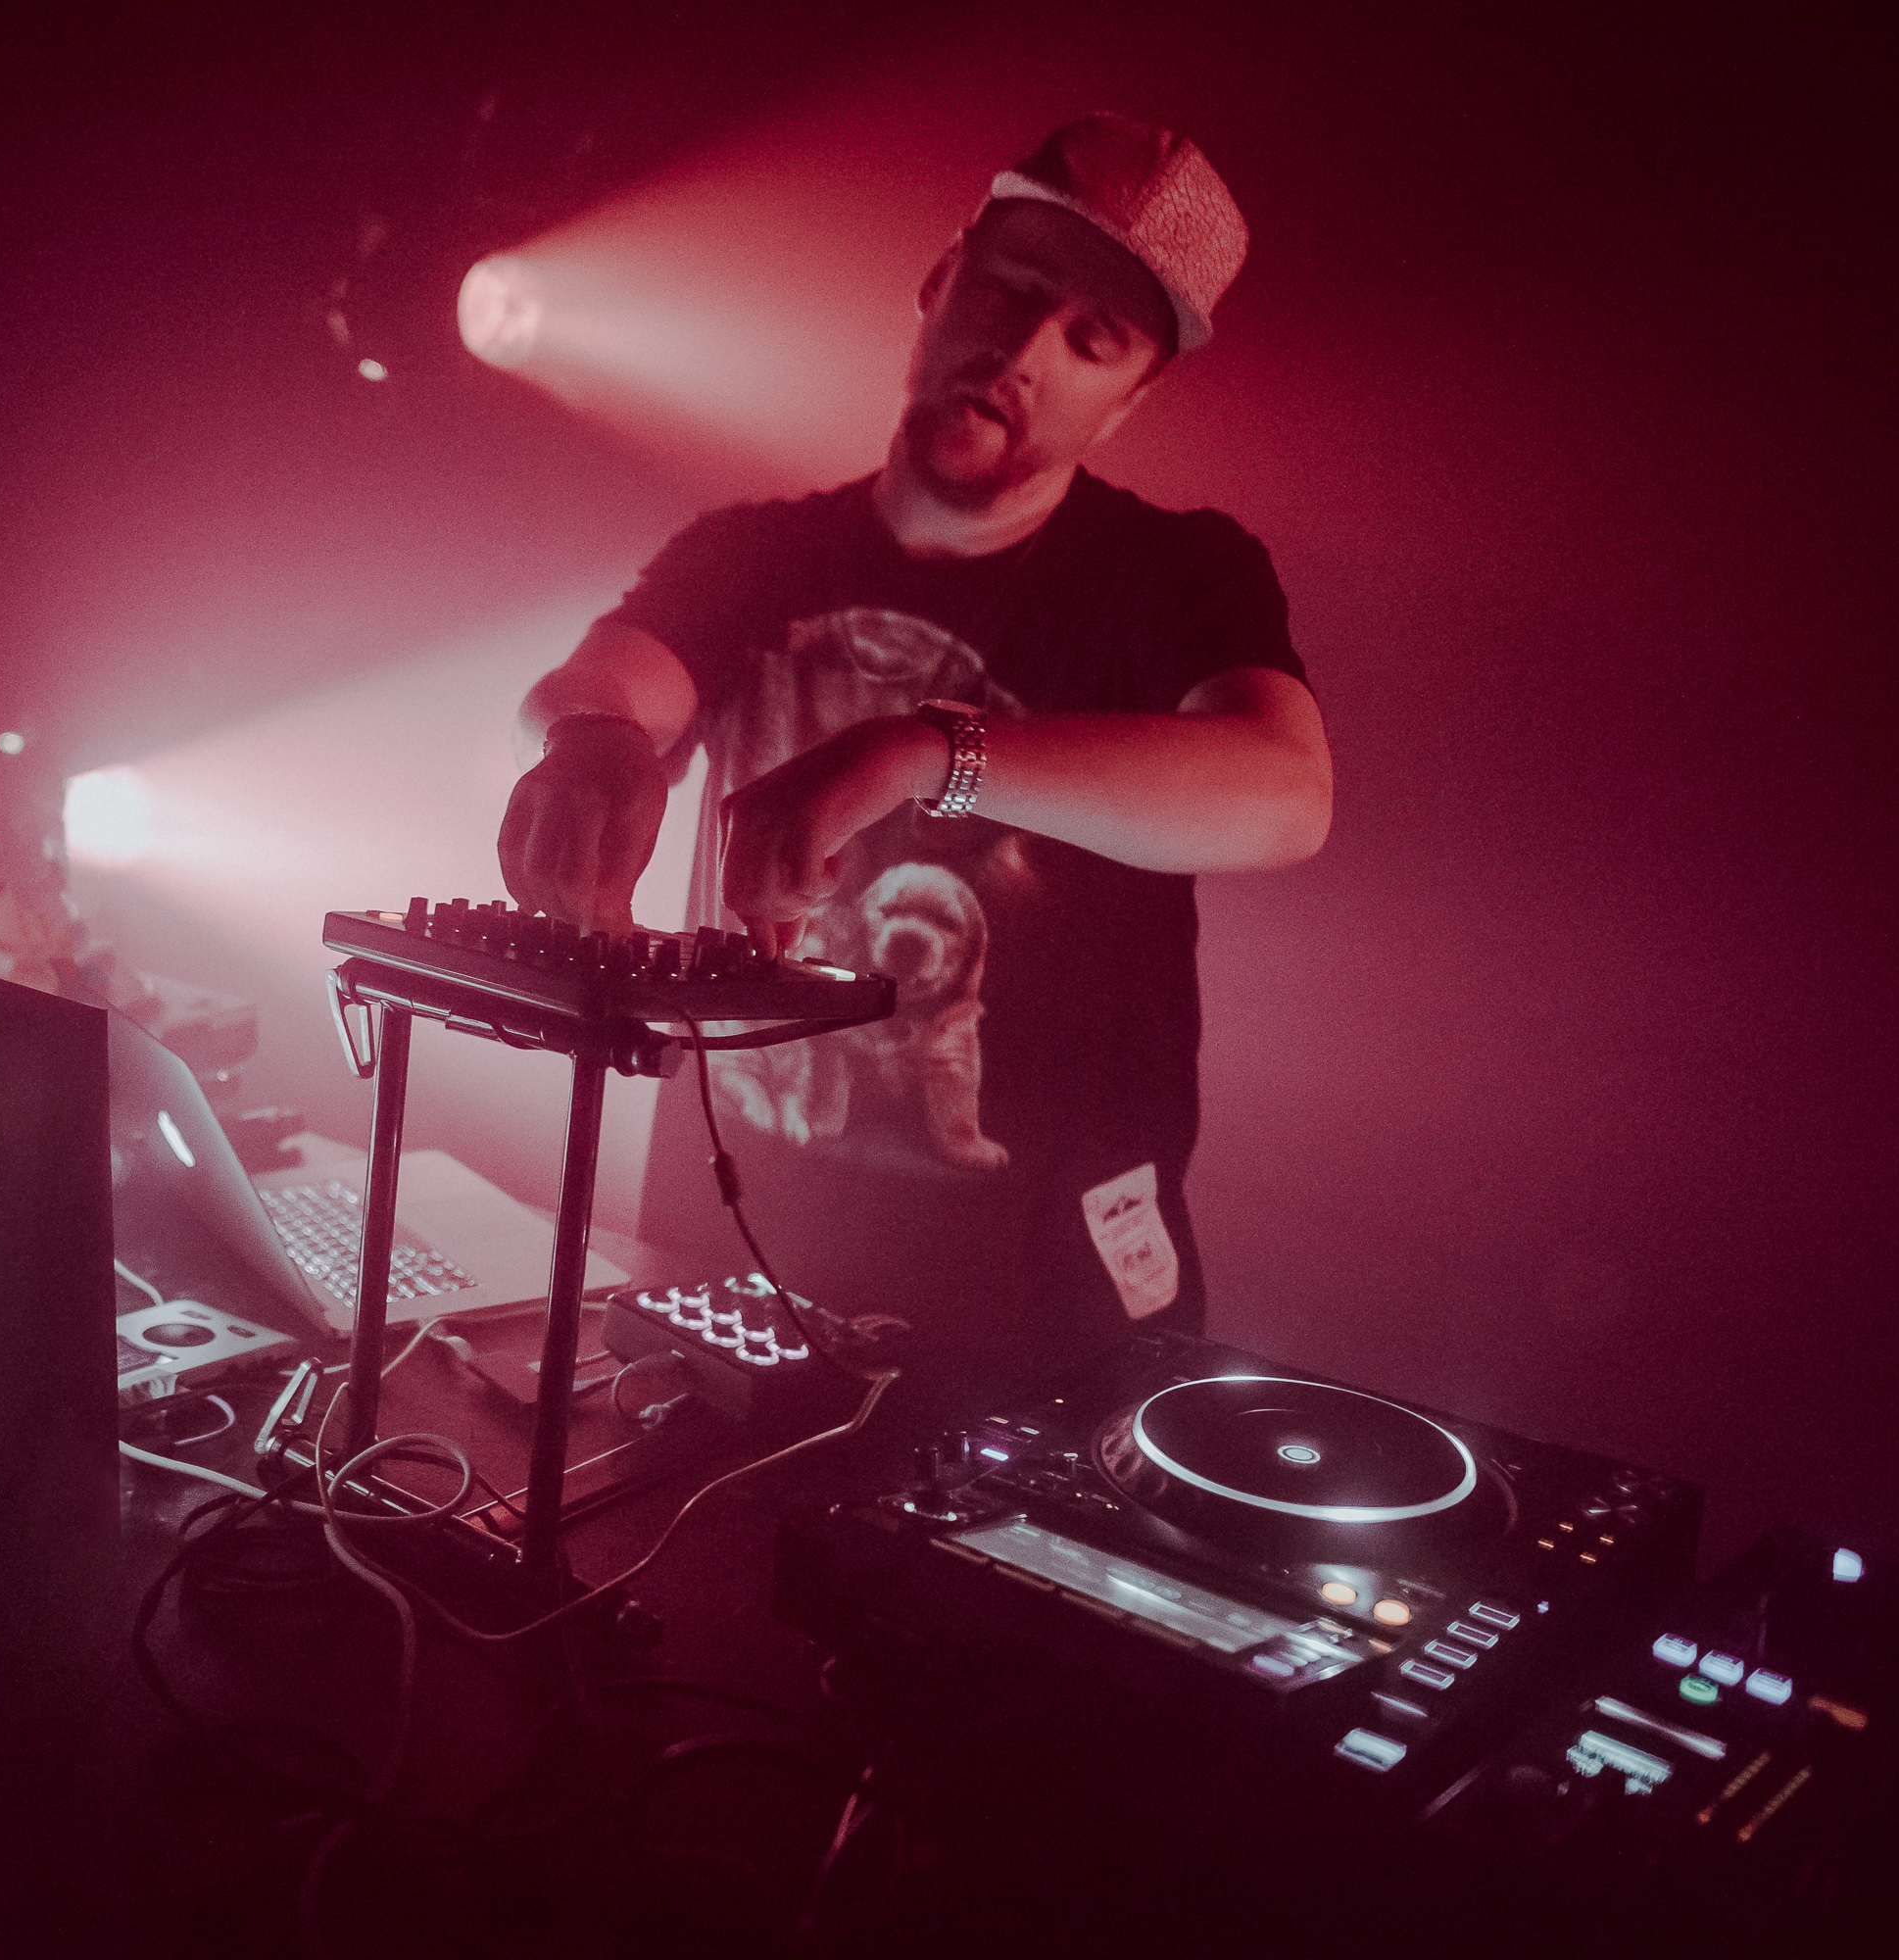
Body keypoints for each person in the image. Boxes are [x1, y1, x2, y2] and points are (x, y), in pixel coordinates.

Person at [495, 114, 1331, 1392]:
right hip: (734, 1270)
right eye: (1011, 289)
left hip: (1046, 1318)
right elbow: (605, 683)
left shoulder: (1181, 575)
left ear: (1133, 396)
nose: (1026, 352)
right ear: (943, 280)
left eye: (1092, 340)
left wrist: (924, 750)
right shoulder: (751, 554)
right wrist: (596, 744)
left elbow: (1283, 791)